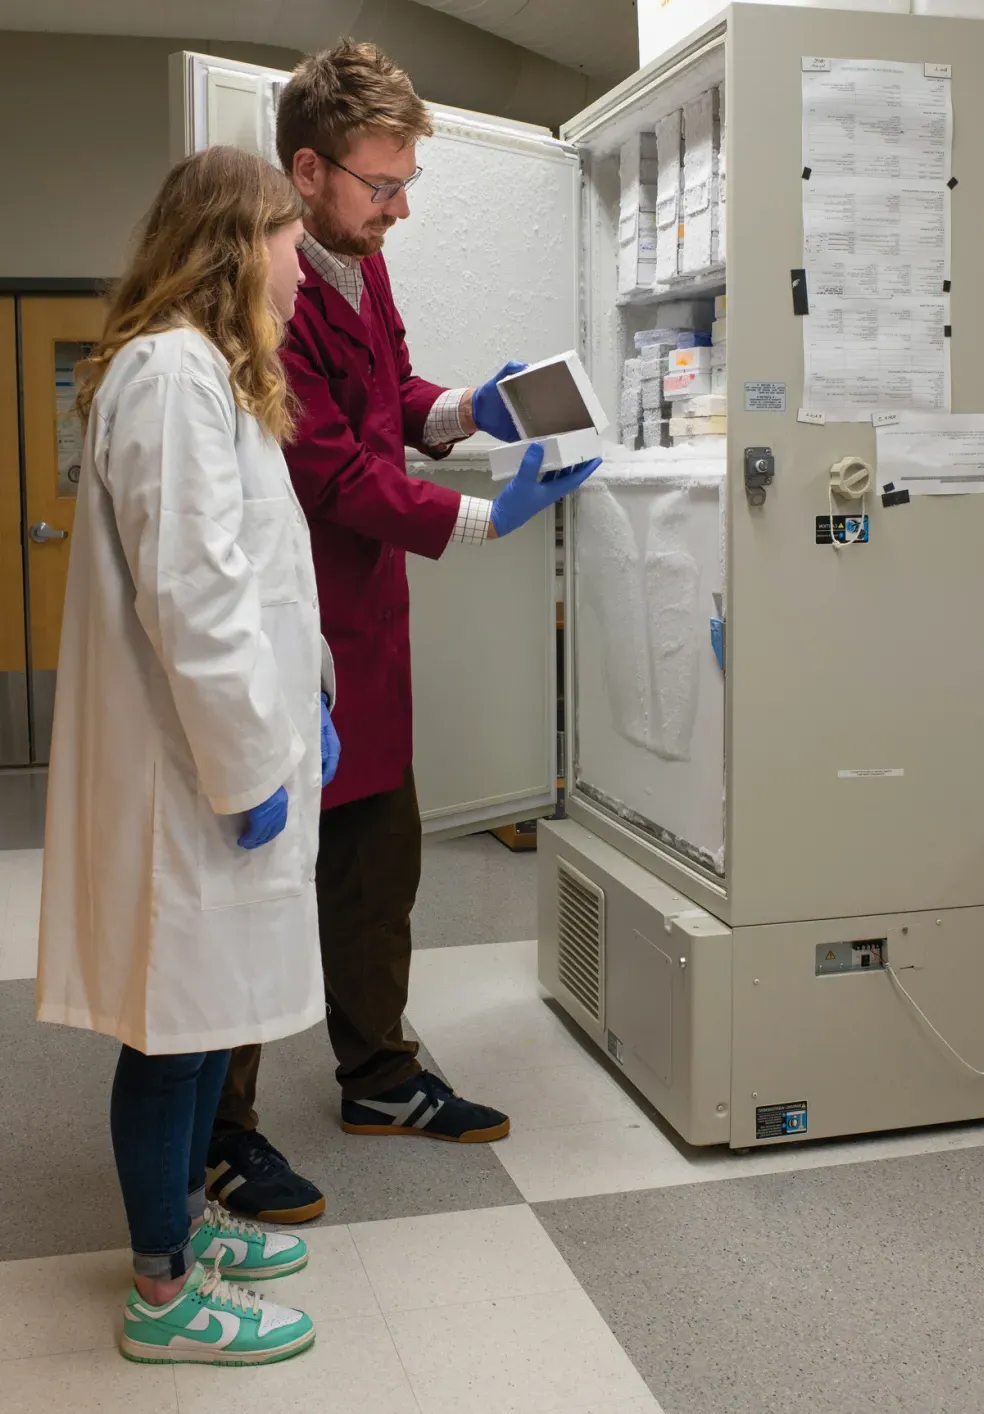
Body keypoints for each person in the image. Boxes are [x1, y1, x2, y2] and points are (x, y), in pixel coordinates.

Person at [205, 39, 598, 1224]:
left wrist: (466, 408)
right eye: (384, 185)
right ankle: (222, 1128)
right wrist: (486, 520)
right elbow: (329, 469)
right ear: (309, 170)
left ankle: (377, 1074)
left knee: (380, 865)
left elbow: (392, 401)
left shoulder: (361, 265)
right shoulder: (263, 292)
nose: (402, 208)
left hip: (368, 625)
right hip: (291, 627)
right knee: (262, 889)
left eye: (407, 181)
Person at [35, 146, 340, 1365]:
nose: (304, 268)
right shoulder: (169, 372)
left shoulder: (214, 376)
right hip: (191, 777)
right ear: (233, 240)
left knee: (209, 1023)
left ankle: (183, 1223)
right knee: (173, 1032)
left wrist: (304, 702)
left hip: (228, 757)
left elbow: (260, 579)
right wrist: (246, 767)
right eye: (288, 238)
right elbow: (193, 595)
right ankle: (162, 1297)